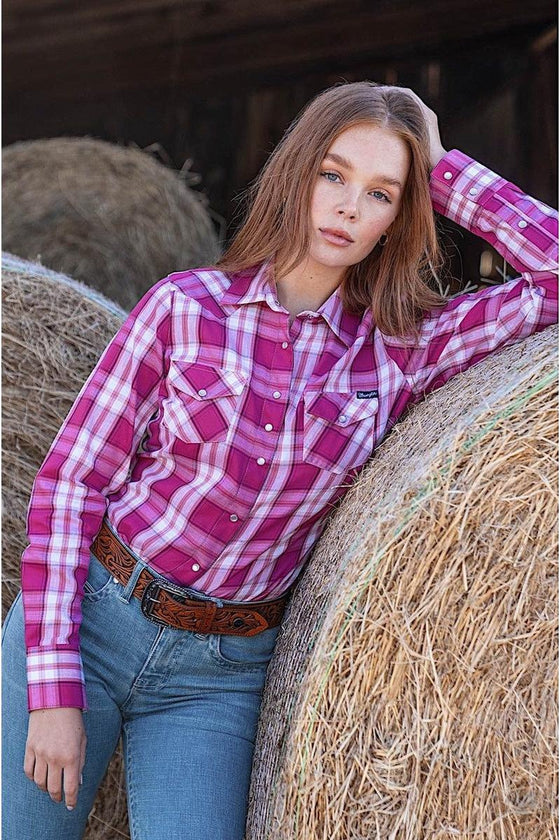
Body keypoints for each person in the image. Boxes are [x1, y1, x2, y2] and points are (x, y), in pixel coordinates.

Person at [2, 81, 557, 840]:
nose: (349, 208)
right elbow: (72, 484)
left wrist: (442, 165)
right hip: (96, 622)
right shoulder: (183, 308)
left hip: (217, 676)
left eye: (381, 193)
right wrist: (52, 686)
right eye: (333, 175)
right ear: (297, 175)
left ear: (398, 218)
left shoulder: (401, 351)